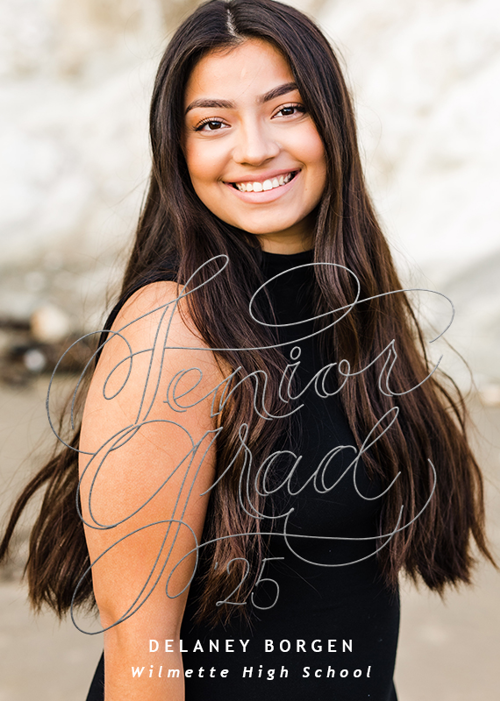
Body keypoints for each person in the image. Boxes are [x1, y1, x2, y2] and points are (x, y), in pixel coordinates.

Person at [0, 1, 496, 699]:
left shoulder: (350, 299)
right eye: (213, 123)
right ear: (179, 152)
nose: (256, 148)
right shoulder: (172, 332)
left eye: (286, 110)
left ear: (332, 121)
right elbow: (140, 652)